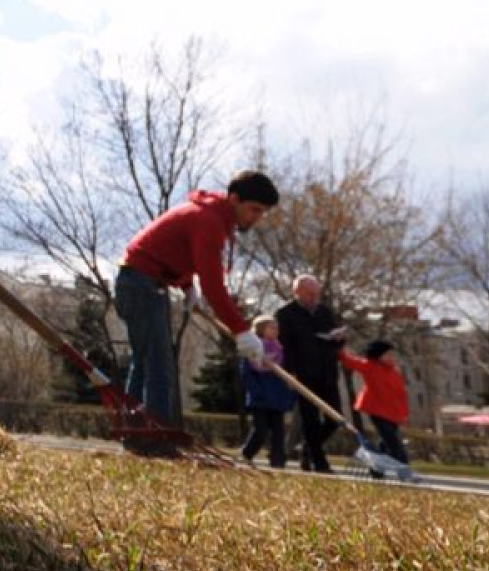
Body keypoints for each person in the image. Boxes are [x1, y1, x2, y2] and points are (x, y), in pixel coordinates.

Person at [115, 170, 279, 445]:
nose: (256, 218)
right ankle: (154, 440)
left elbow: (172, 250)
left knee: (146, 363)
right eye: (254, 209)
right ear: (234, 199)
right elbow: (214, 287)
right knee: (158, 366)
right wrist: (242, 331)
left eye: (262, 213)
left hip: (142, 281)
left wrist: (187, 285)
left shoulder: (209, 216)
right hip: (141, 284)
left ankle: (136, 436)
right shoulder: (209, 221)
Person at [275, 274, 347, 473]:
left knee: (335, 418)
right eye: (309, 294)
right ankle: (319, 463)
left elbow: (334, 339)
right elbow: (285, 346)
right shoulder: (286, 314)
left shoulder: (324, 312)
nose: (314, 298)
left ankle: (307, 449)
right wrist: (289, 374)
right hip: (304, 373)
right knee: (310, 421)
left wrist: (339, 338)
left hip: (327, 372)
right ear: (297, 292)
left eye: (316, 294)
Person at [339, 339, 410, 467]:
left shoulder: (394, 372)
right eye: (387, 354)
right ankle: (404, 466)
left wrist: (404, 413)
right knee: (393, 441)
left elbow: (401, 395)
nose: (391, 357)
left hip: (393, 414)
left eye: (392, 354)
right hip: (377, 410)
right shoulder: (369, 366)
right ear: (378, 355)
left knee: (385, 441)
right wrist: (339, 348)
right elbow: (350, 362)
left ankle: (376, 467)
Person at [238, 315, 294, 468]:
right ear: (261, 329)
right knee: (261, 430)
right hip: (260, 396)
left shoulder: (279, 349)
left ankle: (277, 459)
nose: (275, 331)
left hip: (277, 396)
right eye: (271, 327)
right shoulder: (253, 348)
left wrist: (288, 393)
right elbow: (246, 372)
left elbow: (284, 373)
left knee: (278, 431)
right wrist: (256, 391)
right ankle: (247, 453)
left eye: (277, 328)